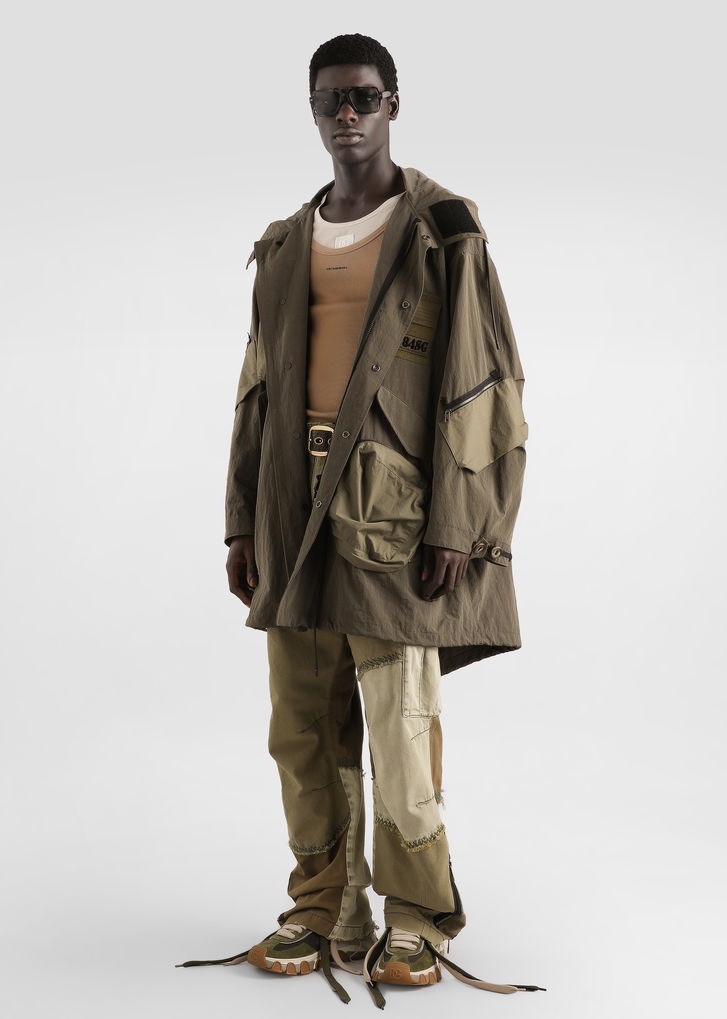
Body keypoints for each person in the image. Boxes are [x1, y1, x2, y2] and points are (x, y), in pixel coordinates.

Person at [175, 33, 544, 1007]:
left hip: (397, 514)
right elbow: (255, 388)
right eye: (331, 99)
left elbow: (484, 387)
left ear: (393, 105)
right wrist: (239, 521)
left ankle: (415, 917)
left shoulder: (442, 231)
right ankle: (324, 905)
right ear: (312, 109)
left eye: (364, 98)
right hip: (289, 511)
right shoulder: (284, 242)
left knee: (400, 722)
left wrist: (460, 520)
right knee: (301, 724)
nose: (348, 114)